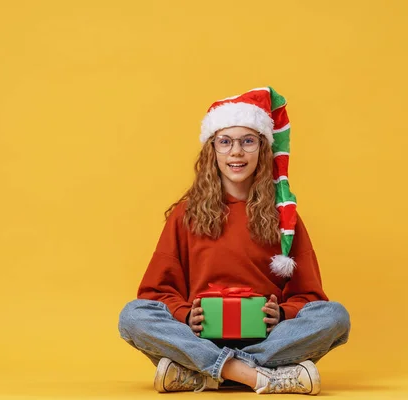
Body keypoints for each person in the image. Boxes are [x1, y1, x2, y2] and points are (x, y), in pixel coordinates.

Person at [118, 87, 350, 395]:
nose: (236, 152)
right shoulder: (185, 215)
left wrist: (281, 314)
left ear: (263, 149)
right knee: (133, 316)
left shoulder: (284, 216)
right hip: (198, 338)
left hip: (269, 339)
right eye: (225, 142)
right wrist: (187, 315)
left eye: (247, 141)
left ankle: (205, 374)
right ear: (212, 150)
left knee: (334, 316)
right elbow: (155, 292)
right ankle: (257, 376)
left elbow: (311, 297)